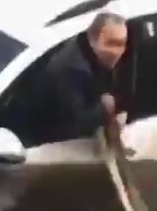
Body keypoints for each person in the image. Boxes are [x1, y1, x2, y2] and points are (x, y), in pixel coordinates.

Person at [40, 11, 130, 145]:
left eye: (122, 44)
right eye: (111, 43)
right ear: (92, 40)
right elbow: (73, 127)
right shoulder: (71, 71)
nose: (117, 52)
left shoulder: (89, 54)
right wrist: (103, 108)